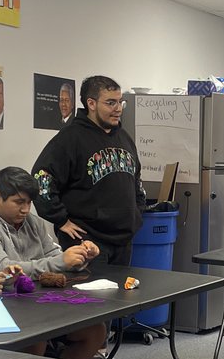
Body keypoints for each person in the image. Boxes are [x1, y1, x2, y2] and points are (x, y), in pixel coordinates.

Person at [0, 167, 106, 359]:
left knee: (94, 331)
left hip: (36, 304)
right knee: (35, 338)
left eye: (29, 202)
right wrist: (60, 261)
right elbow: (6, 269)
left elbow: (53, 255)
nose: (25, 209)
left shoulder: (32, 222)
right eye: (19, 202)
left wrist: (79, 257)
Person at [32, 75, 144, 265]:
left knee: (120, 294)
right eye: (110, 103)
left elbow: (136, 180)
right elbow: (40, 179)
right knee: (92, 295)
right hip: (86, 241)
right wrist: (61, 220)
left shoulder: (124, 138)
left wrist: (136, 214)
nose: (118, 109)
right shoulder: (70, 138)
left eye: (120, 102)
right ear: (91, 103)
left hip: (123, 240)